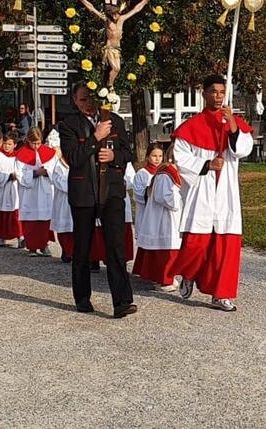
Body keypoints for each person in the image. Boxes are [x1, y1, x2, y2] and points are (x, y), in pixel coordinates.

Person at [171, 74, 254, 312]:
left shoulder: (233, 122)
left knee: (225, 246)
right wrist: (207, 164)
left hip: (226, 192)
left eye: (221, 92)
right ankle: (188, 273)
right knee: (196, 244)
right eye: (213, 92)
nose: (218, 96)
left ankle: (222, 294)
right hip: (203, 190)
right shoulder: (191, 126)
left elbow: (242, 150)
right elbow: (181, 156)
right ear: (204, 94)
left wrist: (233, 125)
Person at [57, 81, 136, 318]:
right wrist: (95, 138)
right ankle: (82, 298)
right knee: (82, 247)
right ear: (75, 101)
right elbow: (73, 157)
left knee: (115, 246)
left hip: (111, 191)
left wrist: (114, 156)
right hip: (84, 192)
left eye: (91, 98)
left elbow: (128, 153)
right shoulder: (68, 125)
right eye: (83, 100)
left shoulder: (115, 120)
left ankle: (122, 301)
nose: (88, 103)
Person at [131, 145, 182, 291]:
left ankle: (162, 276)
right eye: (154, 156)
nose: (157, 159)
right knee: (164, 248)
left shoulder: (168, 172)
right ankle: (164, 279)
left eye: (160, 156)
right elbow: (163, 196)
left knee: (159, 247)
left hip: (162, 215)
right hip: (161, 216)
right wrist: (180, 199)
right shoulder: (165, 174)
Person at [15, 127, 57, 256]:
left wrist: (47, 172)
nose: (36, 146)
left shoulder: (48, 152)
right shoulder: (22, 153)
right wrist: (34, 173)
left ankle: (44, 245)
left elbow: (55, 169)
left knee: (44, 219)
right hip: (30, 192)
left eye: (38, 143)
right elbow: (19, 172)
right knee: (31, 219)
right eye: (33, 143)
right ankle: (32, 246)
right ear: (28, 140)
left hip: (44, 189)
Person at [0, 134, 22, 247]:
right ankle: (1, 236)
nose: (6, 146)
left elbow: (24, 170)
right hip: (1, 190)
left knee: (16, 215)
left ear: (15, 145)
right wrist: (7, 177)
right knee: (0, 213)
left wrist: (18, 176)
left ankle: (20, 236)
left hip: (14, 189)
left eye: (10, 144)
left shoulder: (19, 158)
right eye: (5, 143)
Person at [49, 139, 74, 264]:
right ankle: (66, 250)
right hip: (64, 200)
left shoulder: (79, 161)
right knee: (64, 228)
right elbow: (58, 181)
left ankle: (75, 251)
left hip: (78, 199)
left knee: (76, 228)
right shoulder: (59, 164)